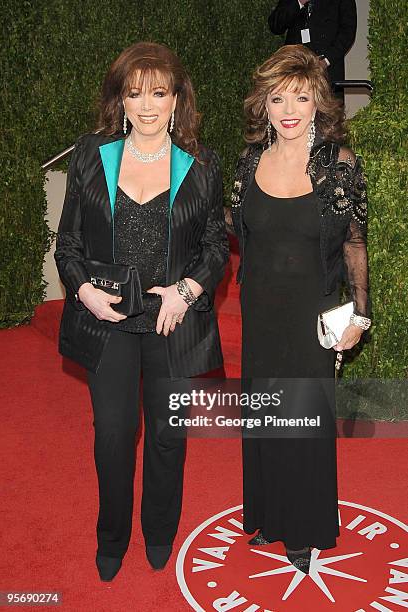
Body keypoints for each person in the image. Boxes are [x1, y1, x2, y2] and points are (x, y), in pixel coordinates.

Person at [54, 41, 229, 581]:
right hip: (106, 320)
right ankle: (112, 536)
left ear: (178, 100)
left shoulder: (201, 163)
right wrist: (83, 291)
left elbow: (215, 247)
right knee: (112, 431)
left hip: (171, 320)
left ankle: (159, 530)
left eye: (159, 92)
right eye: (135, 94)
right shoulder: (91, 154)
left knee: (167, 435)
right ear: (121, 101)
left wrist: (187, 292)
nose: (147, 105)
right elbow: (68, 245)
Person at [229, 44, 370, 574]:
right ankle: (267, 512)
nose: (289, 108)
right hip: (260, 311)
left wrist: (359, 315)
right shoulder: (249, 163)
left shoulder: (337, 165)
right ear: (263, 104)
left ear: (318, 104)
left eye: (302, 96)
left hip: (312, 314)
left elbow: (356, 243)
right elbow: (239, 232)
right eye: (278, 97)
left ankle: (305, 527)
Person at [268, 0, 357, 102]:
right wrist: (299, 3)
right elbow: (275, 25)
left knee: (328, 112)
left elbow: (347, 33)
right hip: (294, 69)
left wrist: (326, 60)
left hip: (328, 70)